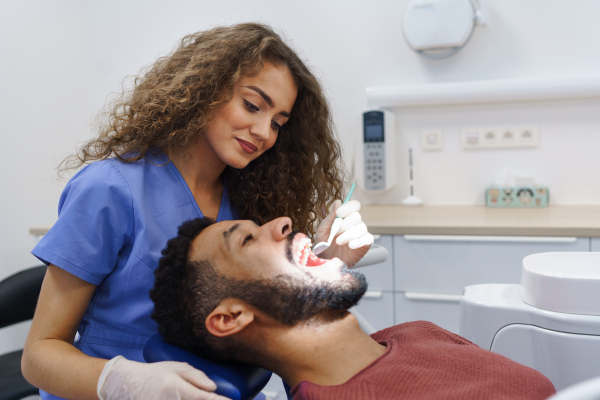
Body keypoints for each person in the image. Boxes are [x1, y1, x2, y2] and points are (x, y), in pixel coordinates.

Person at [22, 23, 374, 400]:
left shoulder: (254, 200)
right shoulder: (109, 189)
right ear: (205, 90)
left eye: (277, 124)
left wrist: (322, 265)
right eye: (253, 106)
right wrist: (125, 382)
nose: (263, 133)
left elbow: (267, 323)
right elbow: (38, 356)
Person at [151, 216, 558, 400]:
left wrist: (322, 265)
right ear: (231, 317)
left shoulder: (418, 331)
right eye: (247, 240)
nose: (283, 223)